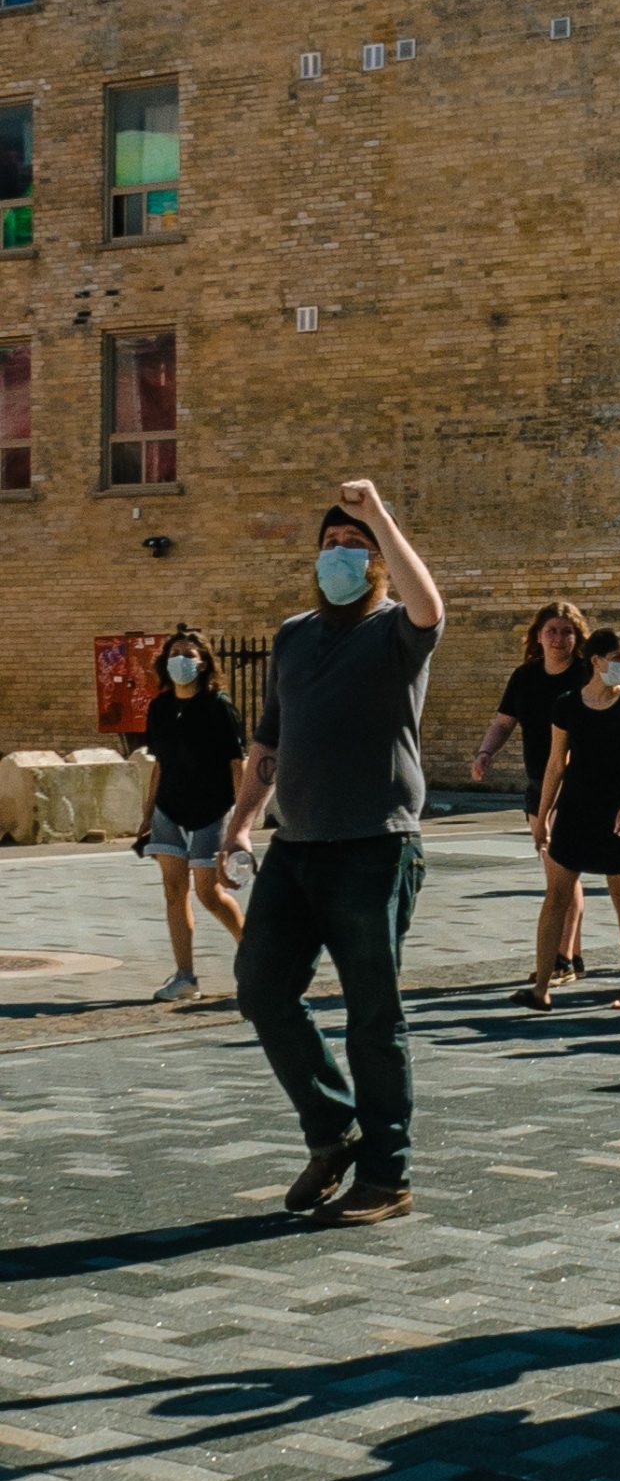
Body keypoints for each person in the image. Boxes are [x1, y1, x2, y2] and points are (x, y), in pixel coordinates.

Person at [223, 480, 444, 1227]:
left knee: (372, 1017)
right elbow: (271, 740)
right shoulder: (293, 635)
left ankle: (389, 1174)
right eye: (330, 546)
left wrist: (377, 513)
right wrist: (242, 818)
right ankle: (333, 1129)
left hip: (375, 849)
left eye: (355, 549)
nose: (340, 557)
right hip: (298, 846)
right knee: (260, 988)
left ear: (380, 562)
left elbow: (431, 609)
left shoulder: (393, 631)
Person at [522, 628, 620, 1011]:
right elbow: (554, 764)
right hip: (577, 808)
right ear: (596, 662)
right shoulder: (567, 705)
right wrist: (542, 815)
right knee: (556, 897)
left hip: (618, 811)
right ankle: (541, 986)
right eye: (617, 657)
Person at [472, 602, 592, 977]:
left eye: (567, 631)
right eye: (552, 631)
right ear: (538, 636)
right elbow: (504, 722)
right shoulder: (524, 677)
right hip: (538, 783)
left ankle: (562, 959)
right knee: (557, 873)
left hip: (578, 784)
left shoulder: (587, 675)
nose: (559, 639)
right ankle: (573, 952)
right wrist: (485, 752)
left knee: (561, 874)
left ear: (578, 637)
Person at [138, 629, 247, 1002]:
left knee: (208, 892)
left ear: (203, 662)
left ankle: (252, 953)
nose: (181, 659)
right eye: (174, 652)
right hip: (169, 808)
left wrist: (241, 821)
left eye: (189, 653)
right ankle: (185, 976)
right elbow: (159, 764)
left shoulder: (219, 706)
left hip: (211, 809)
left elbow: (237, 764)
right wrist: (147, 810)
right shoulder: (160, 707)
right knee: (173, 889)